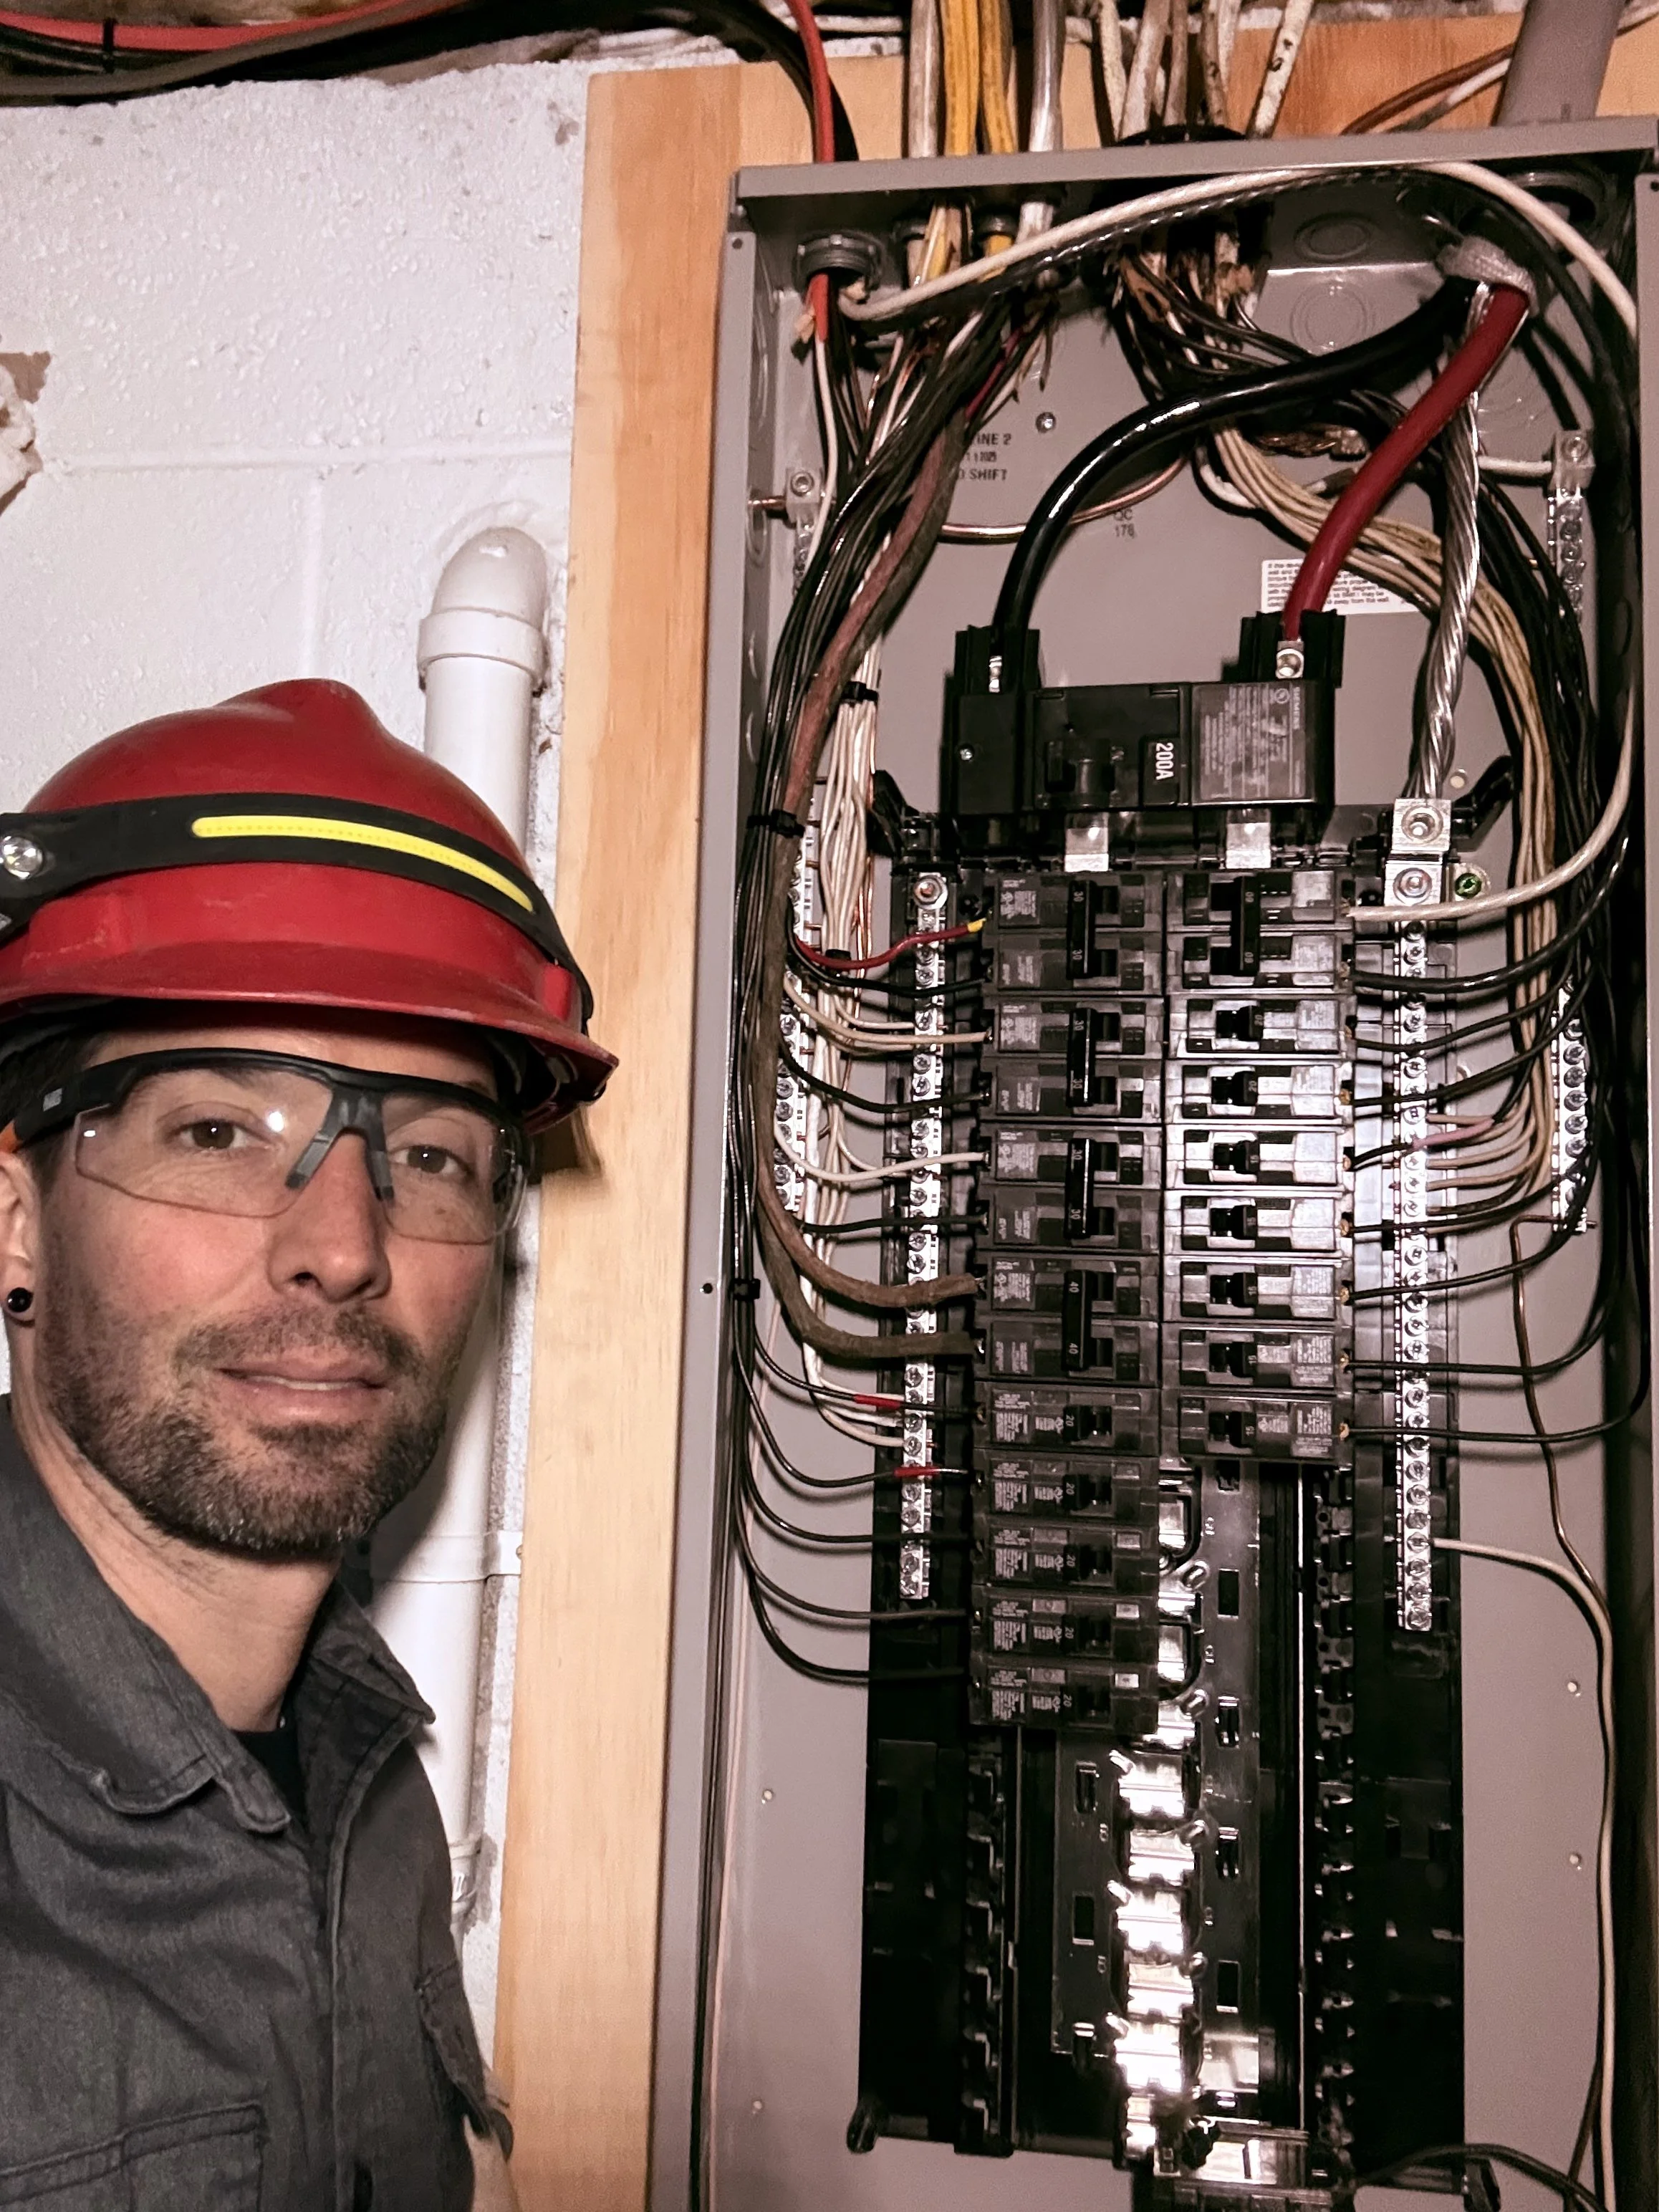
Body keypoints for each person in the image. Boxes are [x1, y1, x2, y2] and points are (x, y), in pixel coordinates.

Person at [0, 679, 614, 2210]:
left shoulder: (362, 1771)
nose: (343, 1245)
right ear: (14, 1212)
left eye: (426, 1152)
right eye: (220, 1132)